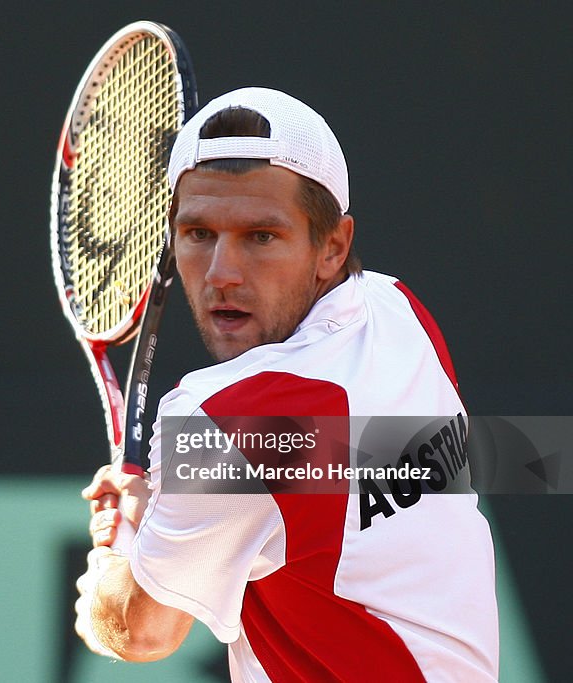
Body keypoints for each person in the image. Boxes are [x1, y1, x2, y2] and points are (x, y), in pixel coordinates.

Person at [74, 87, 499, 681]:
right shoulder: (398, 311)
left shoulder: (233, 422)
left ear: (333, 247)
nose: (222, 273)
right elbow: (313, 485)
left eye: (261, 237)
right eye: (198, 233)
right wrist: (171, 501)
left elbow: (141, 633)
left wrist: (113, 560)